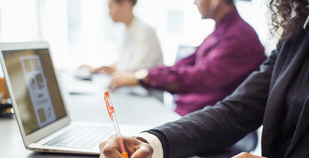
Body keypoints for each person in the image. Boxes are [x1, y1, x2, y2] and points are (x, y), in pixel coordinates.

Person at [99, 0, 309, 158]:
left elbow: (202, 77)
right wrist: (151, 142)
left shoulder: (240, 36)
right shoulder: (300, 31)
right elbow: (235, 110)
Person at [110, 0, 266, 116]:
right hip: (188, 115)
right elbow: (181, 66)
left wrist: (142, 78)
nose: (194, 2)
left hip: (206, 122)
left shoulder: (240, 37)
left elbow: (201, 77)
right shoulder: (221, 32)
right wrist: (140, 75)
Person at [82, 0, 163, 75]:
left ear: (126, 3)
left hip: (142, 89)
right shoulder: (127, 30)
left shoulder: (145, 31)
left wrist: (111, 71)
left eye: (110, 7)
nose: (109, 13)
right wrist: (98, 70)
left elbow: (138, 70)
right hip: (129, 88)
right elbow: (125, 63)